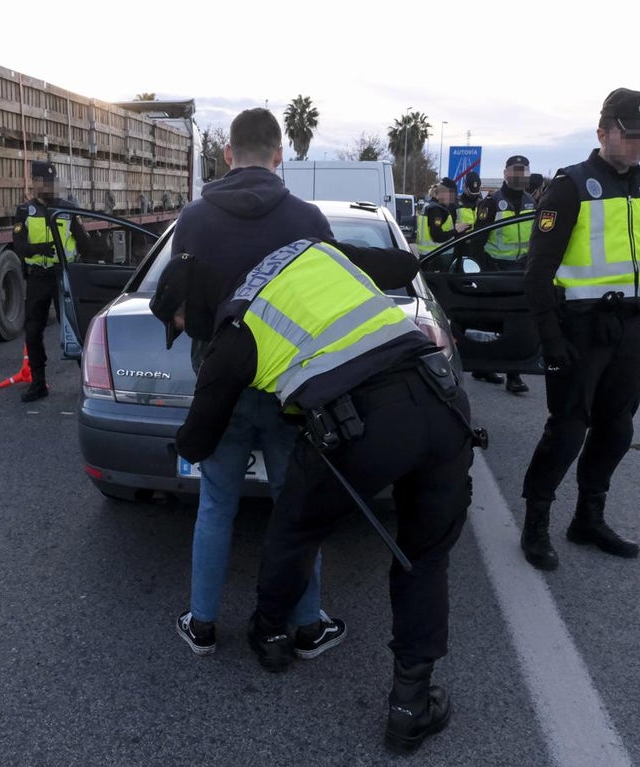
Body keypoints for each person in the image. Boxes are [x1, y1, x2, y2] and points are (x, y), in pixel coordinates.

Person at [150, 237, 475, 755]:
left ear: (198, 303)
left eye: (182, 320)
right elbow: (401, 263)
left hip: (360, 424)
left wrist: (172, 448)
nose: (185, 331)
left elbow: (199, 437)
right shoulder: (309, 251)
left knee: (295, 529)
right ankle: (410, 705)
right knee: (424, 557)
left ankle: (270, 632)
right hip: (440, 399)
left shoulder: (235, 334)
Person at [167, 107, 345, 659]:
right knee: (295, 507)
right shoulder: (309, 220)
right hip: (292, 392)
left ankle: (202, 624)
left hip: (221, 389)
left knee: (217, 503)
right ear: (278, 155)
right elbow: (331, 309)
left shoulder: (194, 219)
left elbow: (179, 311)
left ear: (227, 154)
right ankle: (308, 624)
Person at [519, 88, 640, 571]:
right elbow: (536, 273)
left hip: (628, 330)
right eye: (627, 135)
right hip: (579, 332)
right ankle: (536, 524)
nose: (635, 146)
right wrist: (551, 340)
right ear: (602, 132)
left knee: (617, 430)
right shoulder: (571, 186)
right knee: (567, 431)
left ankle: (587, 518)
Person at [11, 161, 87, 402]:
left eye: (51, 182)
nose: (47, 186)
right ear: (34, 183)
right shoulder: (25, 211)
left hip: (63, 276)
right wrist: (39, 248)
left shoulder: (68, 209)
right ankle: (39, 383)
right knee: (33, 331)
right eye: (42, 181)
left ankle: (88, 385)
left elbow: (84, 242)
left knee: (76, 332)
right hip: (38, 279)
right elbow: (19, 245)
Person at [473, 155, 537, 393]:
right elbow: (477, 239)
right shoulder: (490, 203)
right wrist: (480, 270)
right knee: (492, 321)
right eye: (515, 170)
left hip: (522, 270)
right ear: (505, 173)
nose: (519, 175)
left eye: (523, 171)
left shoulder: (532, 202)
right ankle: (485, 366)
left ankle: (514, 375)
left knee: (517, 322)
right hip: (495, 269)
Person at [415, 178, 469, 258]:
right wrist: (456, 231)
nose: (452, 199)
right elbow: (437, 236)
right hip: (436, 255)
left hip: (427, 254)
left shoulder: (428, 205)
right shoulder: (436, 210)